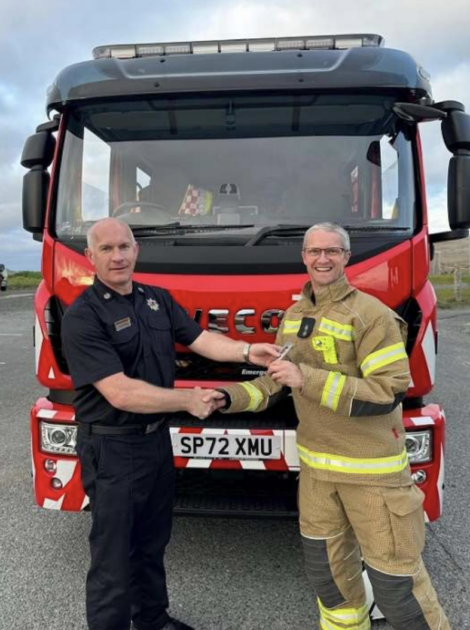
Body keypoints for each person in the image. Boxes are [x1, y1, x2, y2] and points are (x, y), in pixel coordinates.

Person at [207, 222, 450, 630]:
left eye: (332, 251)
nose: (323, 259)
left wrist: (310, 380)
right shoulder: (295, 315)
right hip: (318, 476)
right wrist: (227, 398)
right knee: (331, 582)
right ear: (303, 257)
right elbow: (278, 381)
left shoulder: (372, 316)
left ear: (346, 257)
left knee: (397, 588)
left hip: (372, 476)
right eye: (315, 251)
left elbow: (388, 391)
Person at [61, 217, 279, 630]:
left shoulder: (156, 299)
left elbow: (200, 339)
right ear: (90, 257)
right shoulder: (83, 316)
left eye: (124, 246)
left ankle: (152, 620)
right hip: (112, 449)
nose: (118, 256)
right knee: (113, 554)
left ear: (136, 250)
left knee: (151, 542)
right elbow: (120, 392)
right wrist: (186, 400)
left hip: (155, 442)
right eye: (106, 249)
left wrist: (250, 352)